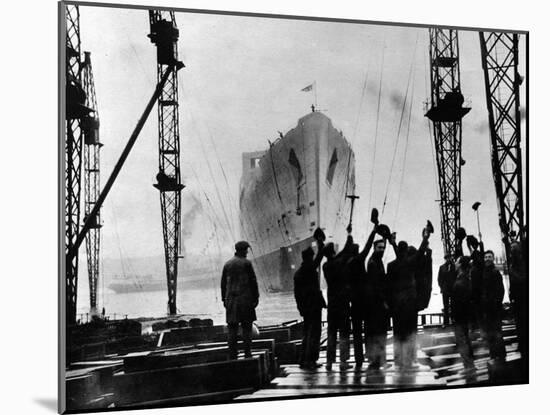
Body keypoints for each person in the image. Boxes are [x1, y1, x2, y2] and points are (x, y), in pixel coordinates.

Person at [387, 226, 430, 370]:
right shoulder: (411, 262)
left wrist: (392, 242)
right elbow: (421, 251)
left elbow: (389, 285)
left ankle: (398, 360)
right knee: (411, 332)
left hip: (397, 306)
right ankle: (411, 359)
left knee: (398, 334)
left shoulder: (391, 266)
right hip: (411, 305)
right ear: (406, 251)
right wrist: (425, 237)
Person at [346, 224, 379, 370]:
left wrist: (349, 235)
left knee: (357, 333)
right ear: (357, 252)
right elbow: (367, 246)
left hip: (353, 303)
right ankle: (370, 356)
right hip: (364, 302)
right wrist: (374, 230)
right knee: (369, 331)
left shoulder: (346, 264)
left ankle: (358, 359)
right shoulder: (359, 260)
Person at [221, 241, 260, 360]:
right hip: (245, 301)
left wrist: (224, 300)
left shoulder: (227, 264)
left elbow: (223, 285)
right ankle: (247, 353)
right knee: (247, 328)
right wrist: (256, 298)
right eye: (246, 250)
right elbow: (253, 282)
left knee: (232, 329)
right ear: (242, 250)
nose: (247, 252)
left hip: (231, 302)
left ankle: (233, 355)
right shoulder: (246, 263)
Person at [323, 226, 354, 371]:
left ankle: (329, 362)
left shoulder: (326, 266)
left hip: (331, 304)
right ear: (333, 252)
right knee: (343, 333)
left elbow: (342, 254)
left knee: (331, 333)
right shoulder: (338, 263)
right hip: (342, 304)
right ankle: (343, 361)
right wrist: (349, 234)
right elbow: (347, 251)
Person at [294, 233, 326, 369]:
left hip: (305, 308)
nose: (313, 259)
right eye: (311, 257)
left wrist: (300, 308)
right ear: (308, 258)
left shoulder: (298, 273)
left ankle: (303, 359)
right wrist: (320, 242)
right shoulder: (309, 269)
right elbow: (320, 256)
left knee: (307, 333)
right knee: (314, 333)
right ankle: (310, 361)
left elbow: (296, 294)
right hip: (313, 306)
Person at [364, 236, 390, 371]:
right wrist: (384, 301)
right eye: (380, 248)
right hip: (376, 304)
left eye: (383, 248)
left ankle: (376, 359)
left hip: (375, 304)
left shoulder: (376, 261)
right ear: (374, 248)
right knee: (378, 333)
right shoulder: (374, 263)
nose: (382, 250)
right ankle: (377, 360)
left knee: (376, 333)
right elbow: (376, 285)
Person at [479, 249, 506, 363]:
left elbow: (501, 291)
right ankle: (494, 354)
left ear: (493, 258)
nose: (487, 259)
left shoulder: (495, 272)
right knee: (490, 333)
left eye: (489, 257)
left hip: (494, 308)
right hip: (487, 308)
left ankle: (500, 355)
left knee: (496, 332)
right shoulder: (484, 272)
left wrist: (496, 303)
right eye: (486, 257)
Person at [451, 256, 476, 372]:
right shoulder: (466, 278)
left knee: (462, 341)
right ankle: (470, 363)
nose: (455, 263)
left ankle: (468, 365)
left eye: (456, 261)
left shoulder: (460, 281)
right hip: (465, 316)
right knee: (466, 339)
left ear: (460, 264)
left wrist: (455, 317)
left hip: (460, 317)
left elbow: (459, 302)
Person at [509, 241, 527, 361]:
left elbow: (521, 279)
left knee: (522, 323)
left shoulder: (520, 265)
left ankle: (524, 346)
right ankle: (522, 345)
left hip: (523, 298)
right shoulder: (517, 264)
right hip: (519, 298)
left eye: (513, 249)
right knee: (520, 324)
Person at [438, 253, 456, 327]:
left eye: (450, 258)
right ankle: (445, 322)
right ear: (445, 259)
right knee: (445, 306)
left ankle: (453, 320)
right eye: (447, 258)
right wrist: (442, 287)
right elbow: (439, 279)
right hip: (445, 289)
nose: (449, 259)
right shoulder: (442, 267)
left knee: (453, 305)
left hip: (453, 289)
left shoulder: (454, 267)